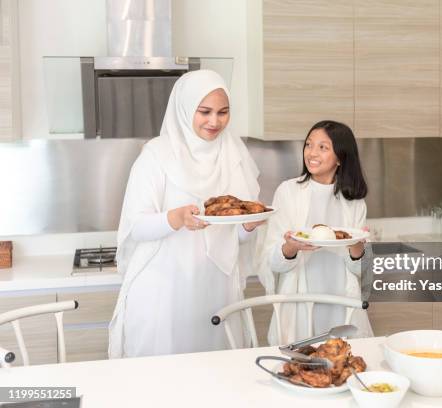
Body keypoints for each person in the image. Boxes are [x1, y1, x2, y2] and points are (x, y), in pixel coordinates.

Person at [109, 70, 262, 358]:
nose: (214, 121)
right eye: (204, 112)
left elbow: (236, 232)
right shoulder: (156, 154)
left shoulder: (232, 154)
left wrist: (250, 225)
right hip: (163, 288)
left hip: (215, 288)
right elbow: (136, 226)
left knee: (216, 382)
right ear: (184, 109)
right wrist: (176, 218)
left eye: (223, 112)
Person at [258, 120, 373, 345]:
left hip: (342, 303)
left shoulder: (354, 203)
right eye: (309, 145)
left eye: (323, 147)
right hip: (300, 303)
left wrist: (357, 246)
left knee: (341, 364)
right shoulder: (288, 192)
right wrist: (290, 248)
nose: (311, 153)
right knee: (302, 367)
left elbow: (360, 270)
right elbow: (273, 263)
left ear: (340, 157)